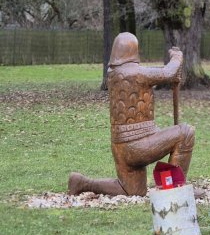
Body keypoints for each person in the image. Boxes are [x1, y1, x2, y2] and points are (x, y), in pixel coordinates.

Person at [68, 33, 195, 196]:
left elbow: (164, 74)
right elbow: (168, 73)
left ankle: (83, 183)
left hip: (121, 147)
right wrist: (177, 57)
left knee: (133, 190)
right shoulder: (135, 73)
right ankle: (175, 191)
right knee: (185, 133)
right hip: (137, 146)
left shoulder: (113, 73)